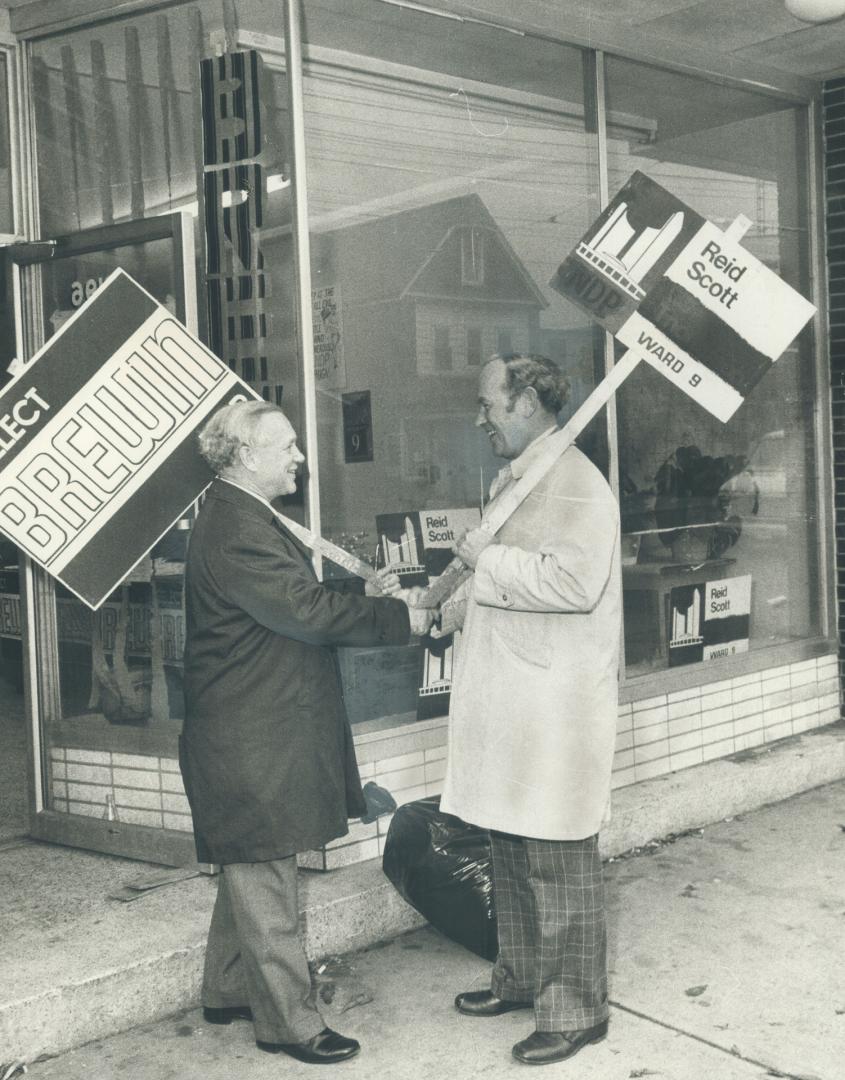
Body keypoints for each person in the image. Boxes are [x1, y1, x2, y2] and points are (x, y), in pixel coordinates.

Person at [179, 400, 430, 1065]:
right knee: (267, 871)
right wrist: (393, 617)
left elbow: (287, 598)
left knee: (252, 859)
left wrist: (366, 592)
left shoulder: (244, 517)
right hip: (250, 732)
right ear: (244, 456)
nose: (299, 458)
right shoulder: (237, 526)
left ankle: (229, 987)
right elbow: (301, 609)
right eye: (286, 446)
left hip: (257, 724)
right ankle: (289, 1024)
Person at [439, 354, 621, 1066]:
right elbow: (504, 574)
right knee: (509, 847)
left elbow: (573, 583)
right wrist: (453, 606)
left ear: (527, 404)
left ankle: (576, 1008)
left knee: (557, 859)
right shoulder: (516, 478)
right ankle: (519, 979)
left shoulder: (576, 482)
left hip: (554, 710)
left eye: (488, 404)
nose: (479, 417)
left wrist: (487, 561)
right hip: (512, 700)